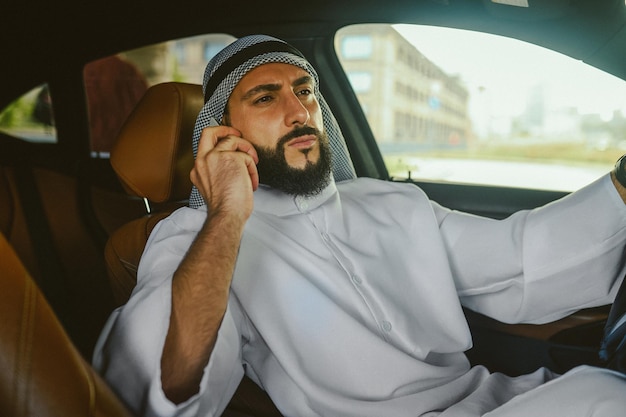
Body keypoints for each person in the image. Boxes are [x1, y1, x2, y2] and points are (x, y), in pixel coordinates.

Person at [93, 35, 626, 416]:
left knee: (605, 392)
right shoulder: (194, 237)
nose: (299, 110)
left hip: (494, 400)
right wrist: (228, 212)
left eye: (305, 90)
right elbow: (166, 381)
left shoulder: (392, 204)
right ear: (223, 132)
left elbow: (520, 261)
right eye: (265, 97)